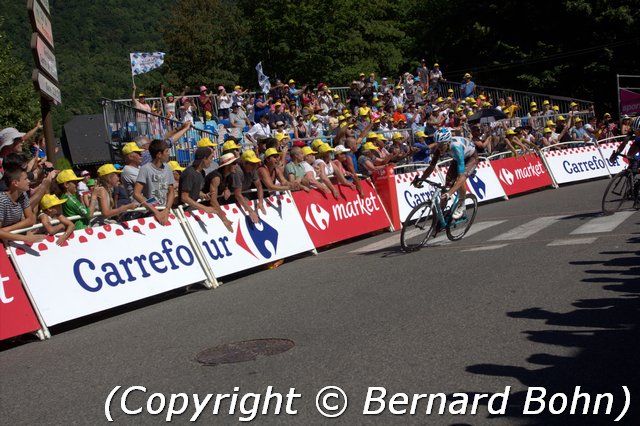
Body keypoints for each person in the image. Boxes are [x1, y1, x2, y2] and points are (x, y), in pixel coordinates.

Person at [414, 128, 478, 219]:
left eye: (441, 145)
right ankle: (440, 217)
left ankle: (462, 204)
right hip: (457, 159)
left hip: (471, 157)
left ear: (448, 142)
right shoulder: (440, 148)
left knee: (460, 180)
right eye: (438, 145)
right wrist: (421, 179)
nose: (439, 148)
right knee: (446, 187)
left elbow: (461, 177)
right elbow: (432, 166)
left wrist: (450, 193)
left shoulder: (456, 148)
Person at [133, 139, 175, 225]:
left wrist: (167, 209)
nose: (168, 154)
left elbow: (171, 191)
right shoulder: (145, 169)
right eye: (166, 151)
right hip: (150, 212)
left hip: (165, 210)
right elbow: (136, 193)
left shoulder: (168, 168)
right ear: (159, 154)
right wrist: (155, 211)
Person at [0, 165, 45, 243]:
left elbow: (31, 220)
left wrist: (5, 230)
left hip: (10, 237)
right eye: (25, 179)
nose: (29, 181)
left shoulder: (22, 194)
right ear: (15, 183)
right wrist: (26, 238)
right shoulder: (1, 200)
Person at [228, 150, 266, 224]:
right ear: (244, 163)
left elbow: (258, 185)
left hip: (242, 197)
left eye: (255, 163)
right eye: (252, 164)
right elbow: (237, 194)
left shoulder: (252, 169)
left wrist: (260, 202)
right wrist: (251, 211)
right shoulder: (238, 171)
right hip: (230, 201)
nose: (255, 166)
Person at [610, 116, 640, 208]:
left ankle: (637, 194)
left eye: (638, 131)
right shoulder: (632, 130)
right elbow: (624, 143)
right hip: (638, 142)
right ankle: (631, 180)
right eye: (635, 130)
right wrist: (616, 154)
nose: (636, 132)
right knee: (631, 158)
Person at [204, 153, 236, 232]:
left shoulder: (227, 175)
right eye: (234, 163)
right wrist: (224, 219)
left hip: (210, 208)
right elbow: (213, 201)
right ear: (227, 166)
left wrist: (226, 188)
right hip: (204, 207)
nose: (237, 165)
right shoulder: (216, 178)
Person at [178, 147, 217, 213]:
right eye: (210, 158)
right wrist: (205, 208)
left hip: (192, 208)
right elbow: (184, 197)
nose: (211, 162)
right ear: (204, 159)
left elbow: (194, 190)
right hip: (184, 210)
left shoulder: (201, 172)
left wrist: (203, 195)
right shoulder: (190, 173)